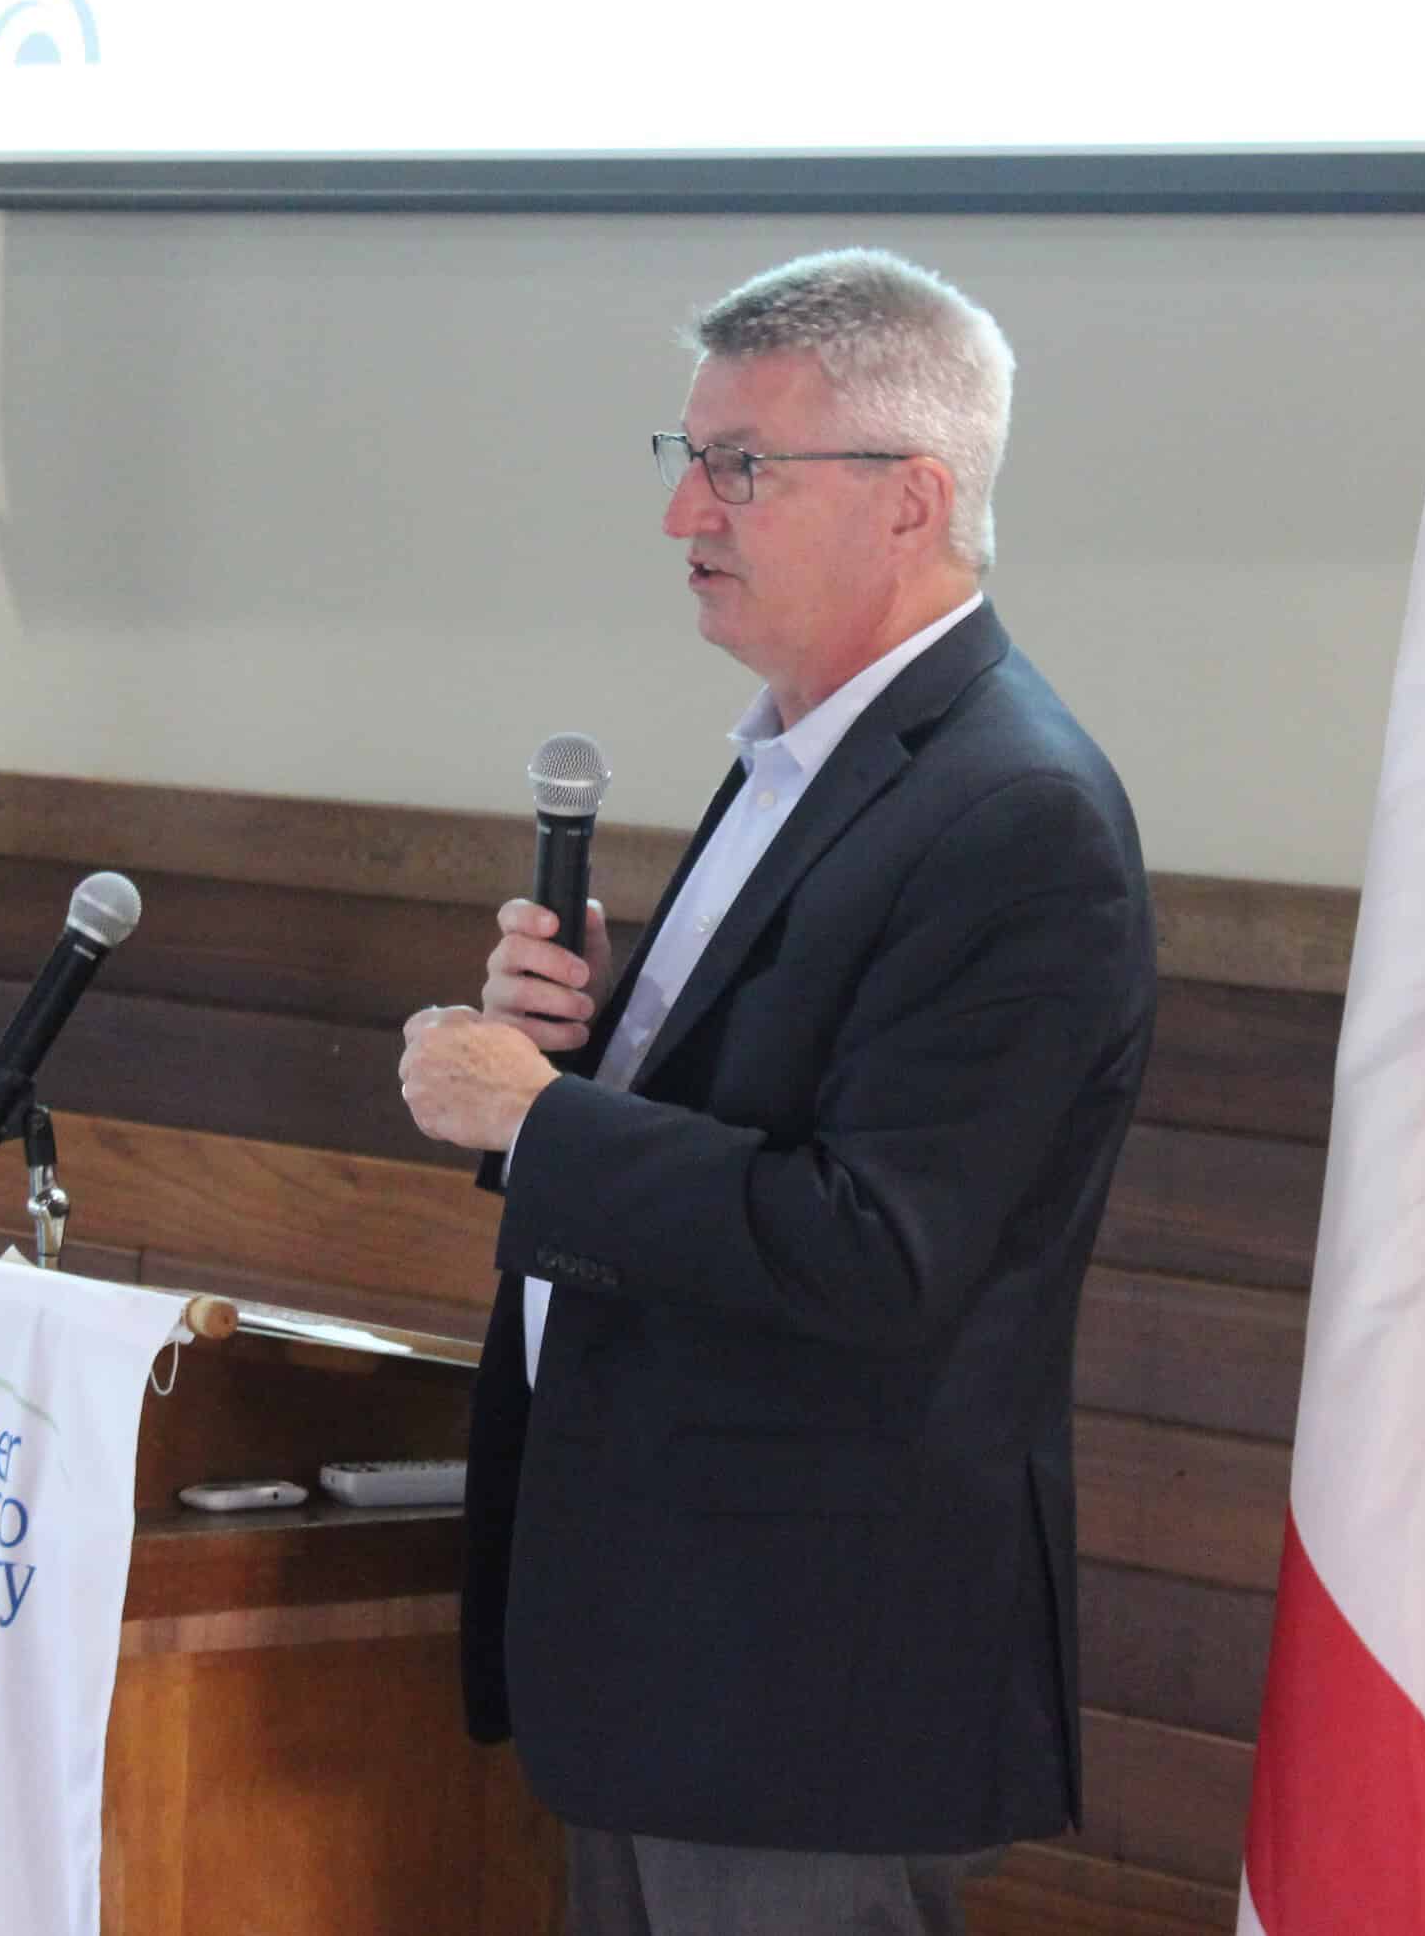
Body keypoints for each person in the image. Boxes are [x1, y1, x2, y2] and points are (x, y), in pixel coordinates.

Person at [396, 248, 1156, 1936]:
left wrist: (539, 1118)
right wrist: (591, 1055)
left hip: (810, 1667)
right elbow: (766, 1130)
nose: (689, 516)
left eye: (742, 466)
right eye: (687, 461)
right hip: (677, 1638)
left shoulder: (1016, 818)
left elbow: (879, 1250)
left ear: (913, 503)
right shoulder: (813, 752)